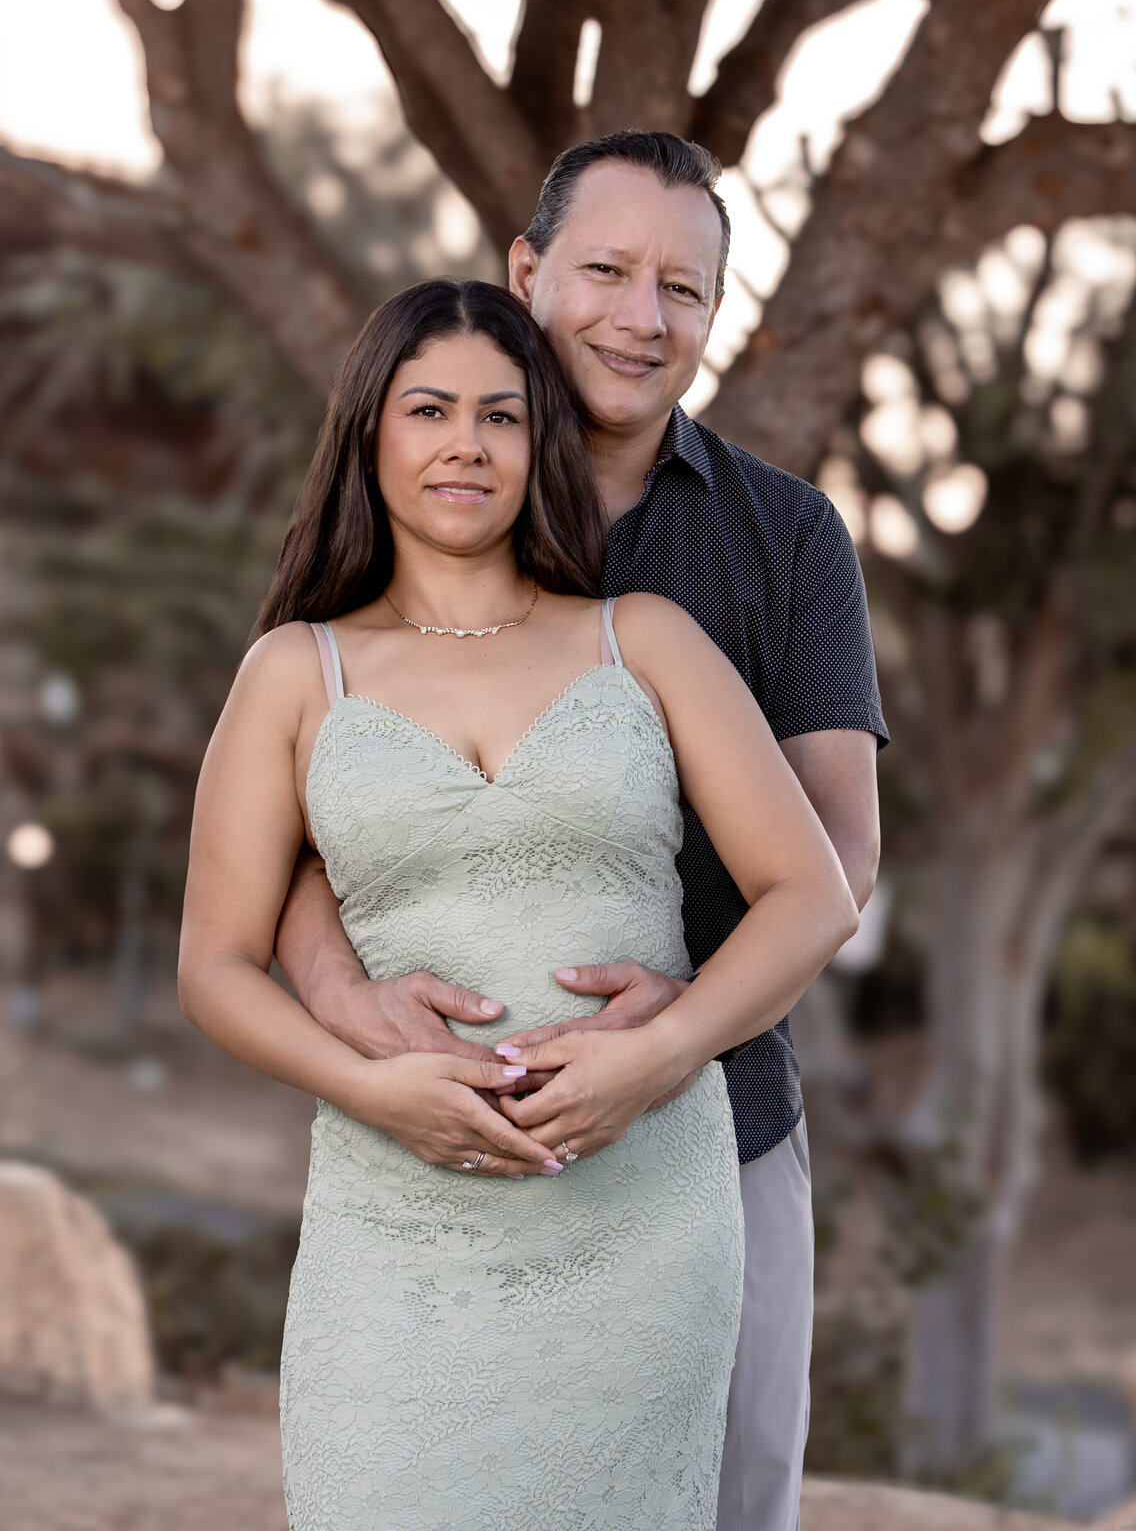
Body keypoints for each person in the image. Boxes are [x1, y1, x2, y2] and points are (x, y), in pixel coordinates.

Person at [273, 132, 888, 1531]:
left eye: (685, 287)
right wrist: (346, 1002)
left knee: (718, 1505)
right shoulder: (423, 490)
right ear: (527, 270)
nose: (642, 316)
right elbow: (295, 818)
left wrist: (685, 1028)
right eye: (607, 270)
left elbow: (839, 859)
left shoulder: (786, 539)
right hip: (433, 1146)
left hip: (717, 1132)